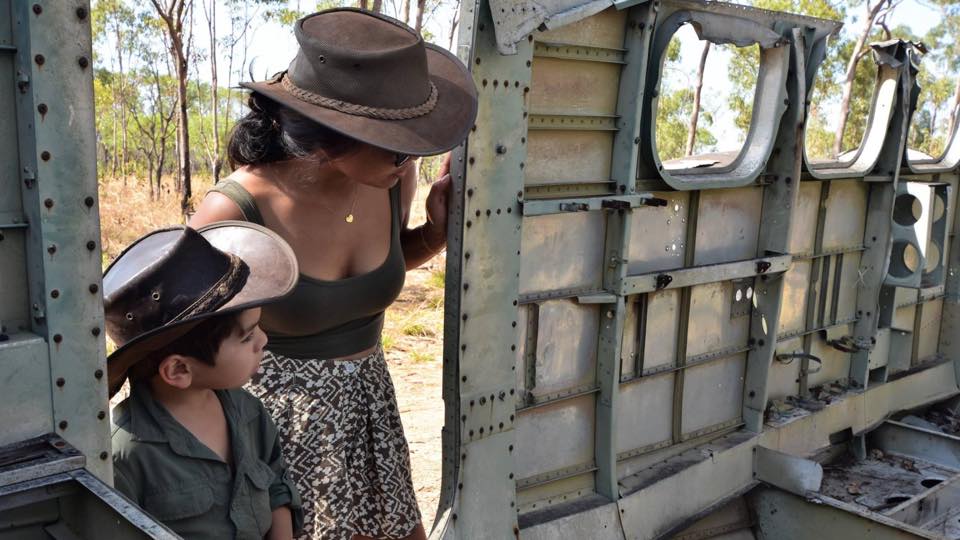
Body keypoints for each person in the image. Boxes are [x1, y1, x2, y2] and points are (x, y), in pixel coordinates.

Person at [188, 7, 477, 540]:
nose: (411, 154)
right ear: (331, 138)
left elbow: (370, 278)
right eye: (397, 141)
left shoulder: (391, 180)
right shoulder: (235, 213)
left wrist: (433, 236)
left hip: (371, 416)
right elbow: (186, 352)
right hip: (278, 431)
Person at [105, 222, 304, 540]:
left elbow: (276, 486)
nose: (263, 341)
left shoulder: (247, 411)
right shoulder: (125, 454)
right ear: (178, 371)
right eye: (247, 336)